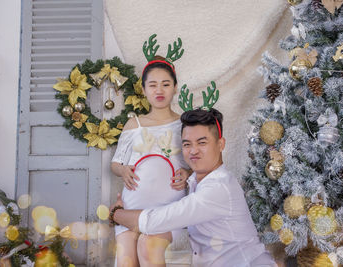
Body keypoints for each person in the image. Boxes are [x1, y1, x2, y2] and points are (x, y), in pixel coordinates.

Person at [110, 107, 277, 266]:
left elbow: (153, 221)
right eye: (187, 144)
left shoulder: (218, 189)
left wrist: (115, 214)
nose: (193, 151)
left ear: (221, 144)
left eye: (202, 143)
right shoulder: (197, 182)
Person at [111, 50, 191, 266]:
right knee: (127, 258)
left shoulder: (185, 125)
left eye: (166, 84)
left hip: (168, 210)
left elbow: (196, 162)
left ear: (175, 88)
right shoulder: (134, 125)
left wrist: (187, 172)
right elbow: (116, 163)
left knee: (148, 249)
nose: (159, 90)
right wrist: (123, 170)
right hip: (131, 208)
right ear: (144, 89)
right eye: (153, 85)